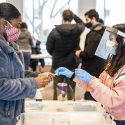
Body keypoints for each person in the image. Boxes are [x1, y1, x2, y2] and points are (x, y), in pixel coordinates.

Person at [55, 24, 125, 125]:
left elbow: (113, 99)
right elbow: (98, 87)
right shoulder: (112, 63)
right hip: (109, 115)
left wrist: (91, 80)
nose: (107, 43)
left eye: (111, 39)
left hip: (120, 120)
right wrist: (74, 76)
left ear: (122, 41)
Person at [0, 3, 54, 125]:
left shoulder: (10, 46)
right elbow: (1, 87)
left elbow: (16, 74)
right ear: (4, 24)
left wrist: (37, 76)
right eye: (17, 25)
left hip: (11, 113)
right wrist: (33, 83)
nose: (19, 30)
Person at [46, 9, 85, 100]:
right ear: (71, 18)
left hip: (57, 64)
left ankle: (56, 108)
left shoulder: (54, 31)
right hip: (72, 63)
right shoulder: (77, 29)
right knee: (71, 89)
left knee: (57, 90)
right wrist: (73, 15)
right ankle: (71, 106)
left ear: (62, 18)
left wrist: (55, 54)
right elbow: (82, 23)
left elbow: (49, 48)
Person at [75, 9, 106, 100]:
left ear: (93, 19)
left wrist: (80, 53)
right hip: (103, 67)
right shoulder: (107, 31)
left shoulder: (94, 33)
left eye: (87, 20)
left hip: (92, 68)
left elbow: (88, 53)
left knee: (90, 93)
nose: (86, 22)